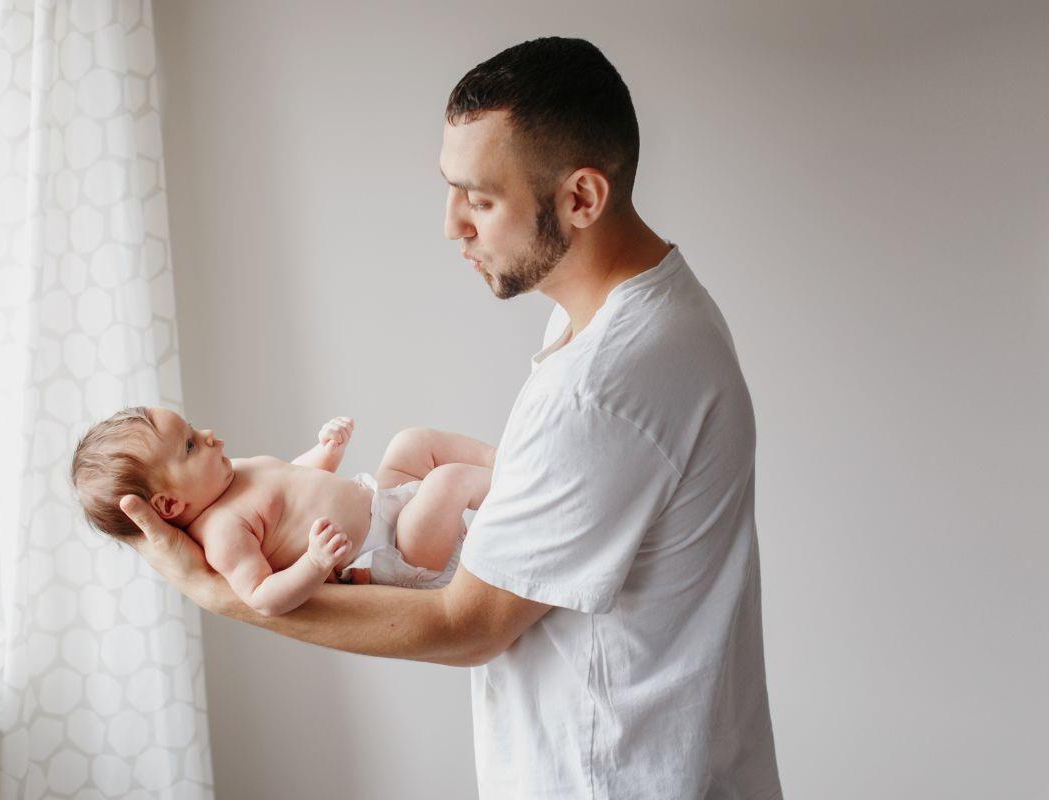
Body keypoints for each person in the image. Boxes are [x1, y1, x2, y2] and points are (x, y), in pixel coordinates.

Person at [120, 36, 783, 799]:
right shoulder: (653, 314)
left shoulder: (600, 383)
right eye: (451, 190)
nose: (451, 225)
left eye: (480, 198)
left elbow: (467, 625)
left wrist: (215, 594)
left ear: (582, 199)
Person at [70, 407, 494, 614]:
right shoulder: (223, 531)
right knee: (447, 482)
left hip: (383, 500)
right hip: (395, 550)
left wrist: (327, 451)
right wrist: (313, 563)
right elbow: (261, 597)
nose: (209, 434)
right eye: (190, 445)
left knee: (411, 442)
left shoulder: (231, 473)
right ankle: (531, 484)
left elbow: (295, 481)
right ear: (168, 504)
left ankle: (506, 457)